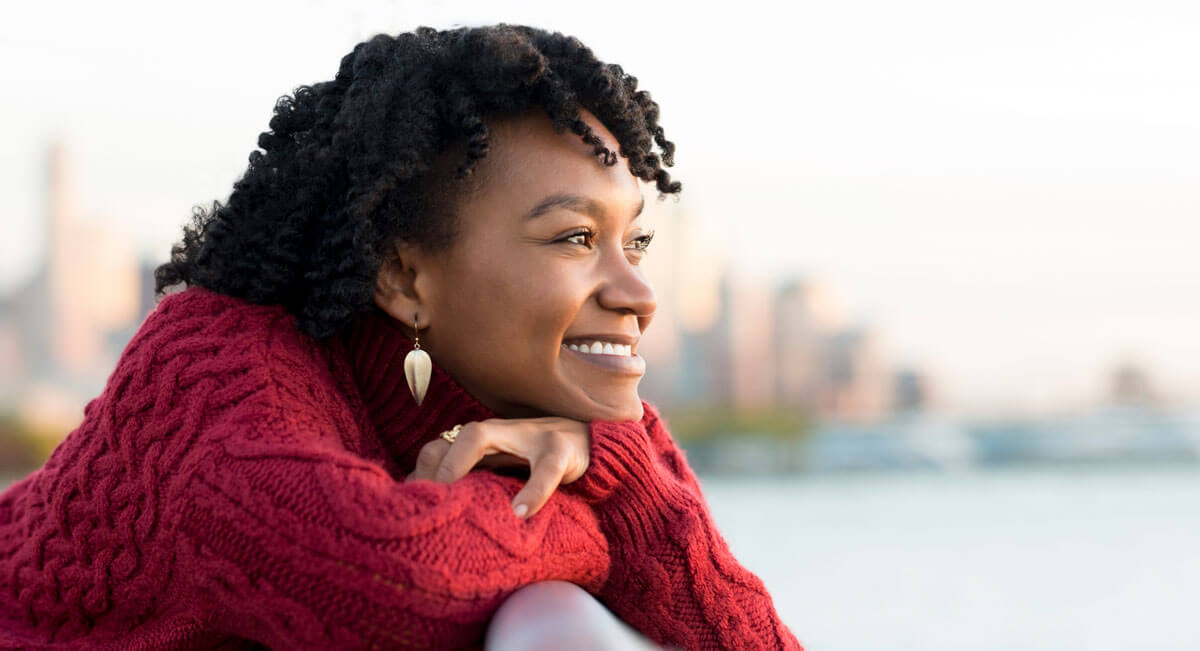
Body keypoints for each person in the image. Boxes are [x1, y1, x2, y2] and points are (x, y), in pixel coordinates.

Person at [0, 24, 801, 649]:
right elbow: (400, 577)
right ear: (406, 278)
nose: (640, 294)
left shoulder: (548, 422)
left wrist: (618, 467)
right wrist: (598, 516)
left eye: (637, 242)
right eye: (573, 239)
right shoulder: (218, 371)